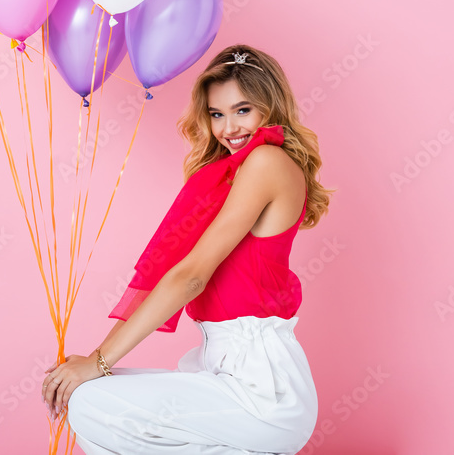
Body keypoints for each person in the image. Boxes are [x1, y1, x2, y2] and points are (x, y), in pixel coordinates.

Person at [42, 44, 335, 454]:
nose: (229, 127)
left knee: (90, 398)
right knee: (91, 398)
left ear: (271, 107)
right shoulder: (227, 175)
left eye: (243, 110)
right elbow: (171, 277)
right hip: (222, 371)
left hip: (263, 389)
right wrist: (96, 364)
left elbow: (191, 276)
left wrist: (97, 361)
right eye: (217, 114)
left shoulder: (267, 161)